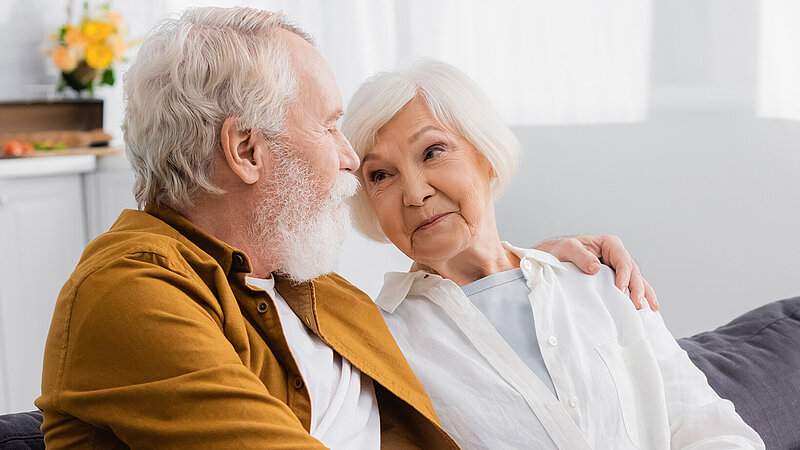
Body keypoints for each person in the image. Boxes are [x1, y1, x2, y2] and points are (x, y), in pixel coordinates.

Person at [37, 7, 654, 448]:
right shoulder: (130, 294)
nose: (349, 159)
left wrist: (534, 276)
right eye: (330, 125)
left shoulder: (312, 291)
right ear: (247, 150)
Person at [340, 59, 765, 449]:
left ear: (485, 155)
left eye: (432, 152)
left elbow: (709, 426)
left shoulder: (598, 281)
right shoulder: (381, 345)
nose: (415, 194)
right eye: (381, 175)